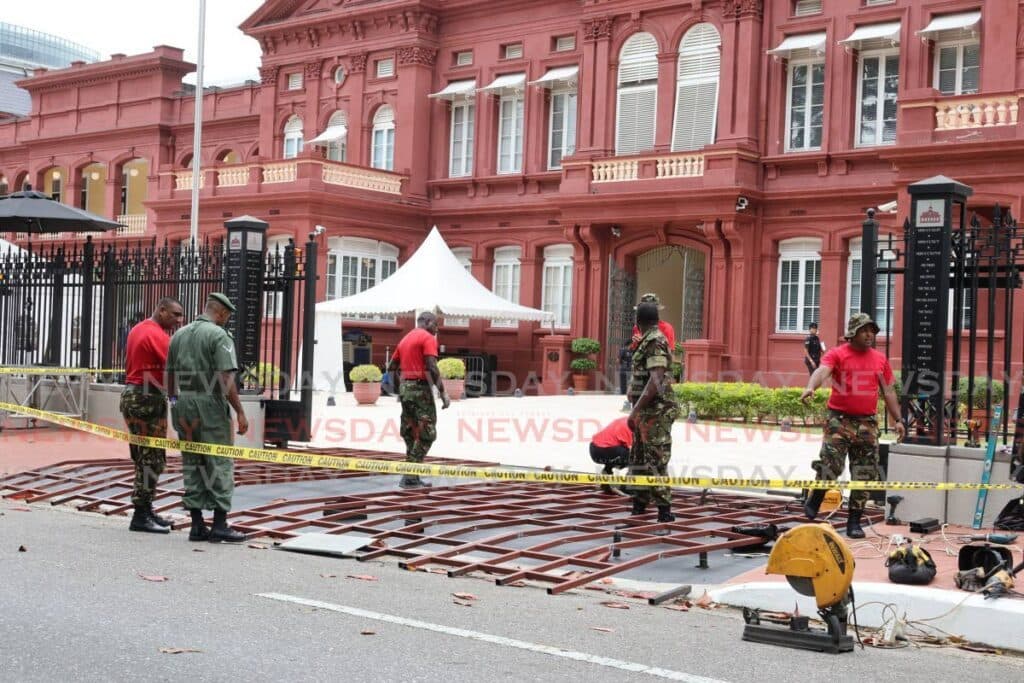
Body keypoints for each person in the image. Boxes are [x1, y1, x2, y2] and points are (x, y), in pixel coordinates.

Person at [800, 313, 905, 539]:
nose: (869, 335)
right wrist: (811, 387)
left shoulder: (880, 359)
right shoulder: (838, 354)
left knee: (865, 473)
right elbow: (822, 371)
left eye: (872, 331)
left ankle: (854, 521)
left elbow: (888, 391)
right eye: (864, 330)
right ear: (853, 333)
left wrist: (898, 419)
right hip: (839, 421)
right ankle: (817, 497)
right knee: (831, 464)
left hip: (867, 423)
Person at [166, 292, 249, 543]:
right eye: (227, 316)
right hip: (210, 403)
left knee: (193, 461)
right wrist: (240, 412)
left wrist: (174, 401)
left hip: (184, 403)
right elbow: (225, 379)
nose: (226, 320)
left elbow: (169, 374)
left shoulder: (178, 335)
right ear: (221, 313)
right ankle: (220, 525)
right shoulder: (218, 335)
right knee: (218, 461)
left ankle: (197, 525)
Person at [120, 296, 184, 534]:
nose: (179, 320)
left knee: (144, 456)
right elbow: (173, 368)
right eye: (176, 315)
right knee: (152, 459)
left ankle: (145, 509)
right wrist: (176, 397)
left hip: (135, 396)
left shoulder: (138, 328)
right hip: (146, 399)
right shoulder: (156, 335)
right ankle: (140, 515)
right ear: (162, 310)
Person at [627, 302, 680, 522]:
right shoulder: (646, 340)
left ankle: (664, 511)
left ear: (638, 322)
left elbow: (656, 378)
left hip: (656, 410)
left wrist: (635, 410)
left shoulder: (656, 340)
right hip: (645, 410)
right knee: (639, 456)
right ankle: (640, 502)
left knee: (656, 459)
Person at [387, 311, 450, 488]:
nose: (436, 329)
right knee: (427, 433)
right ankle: (409, 474)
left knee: (410, 431)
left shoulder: (405, 339)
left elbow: (391, 367)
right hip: (420, 389)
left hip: (406, 388)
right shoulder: (428, 337)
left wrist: (401, 388)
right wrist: (443, 392)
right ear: (428, 322)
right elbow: (432, 366)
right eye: (436, 325)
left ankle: (412, 477)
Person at [589, 416, 632, 494]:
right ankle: (627, 488)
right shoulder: (629, 427)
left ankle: (606, 477)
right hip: (604, 451)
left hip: (594, 448)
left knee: (626, 454)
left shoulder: (624, 419)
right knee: (635, 458)